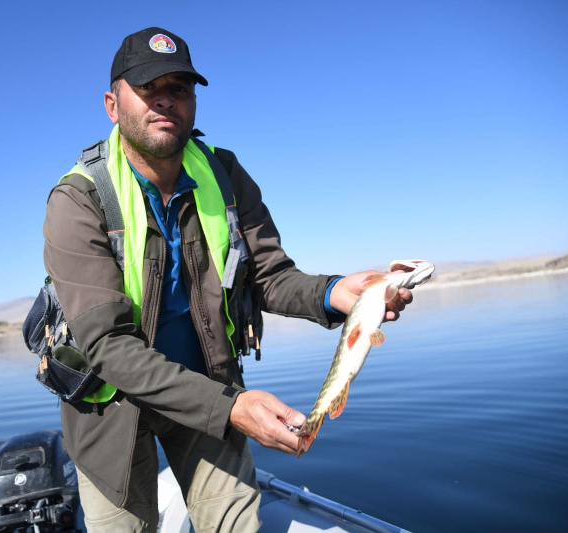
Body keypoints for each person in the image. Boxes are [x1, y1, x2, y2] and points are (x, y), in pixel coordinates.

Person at [42, 27, 412, 533]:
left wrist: (334, 293)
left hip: (208, 388)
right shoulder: (77, 200)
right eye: (149, 89)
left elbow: (271, 277)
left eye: (180, 88)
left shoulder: (224, 173)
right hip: (113, 412)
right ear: (112, 104)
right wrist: (234, 407)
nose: (166, 102)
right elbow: (107, 346)